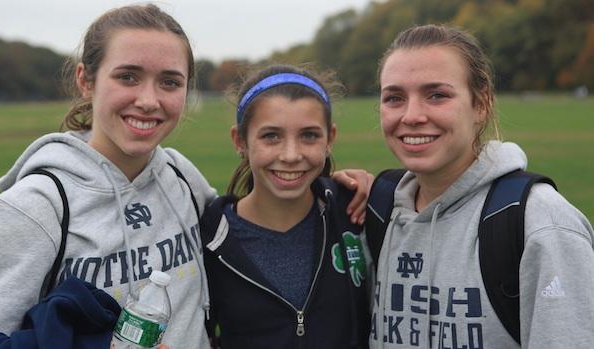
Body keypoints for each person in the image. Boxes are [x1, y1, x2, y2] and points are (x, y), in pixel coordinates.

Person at [0, 4, 215, 348]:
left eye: (169, 82)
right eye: (128, 76)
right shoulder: (34, 208)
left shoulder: (182, 176)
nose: (148, 100)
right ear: (86, 80)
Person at [369, 24, 594, 348]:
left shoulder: (542, 223)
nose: (412, 115)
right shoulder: (379, 212)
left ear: (481, 104)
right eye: (394, 98)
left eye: (437, 95)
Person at [199, 65, 372, 348]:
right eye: (271, 136)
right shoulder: (210, 239)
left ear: (330, 139)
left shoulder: (356, 212)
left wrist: (380, 189)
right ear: (240, 141)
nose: (291, 155)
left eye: (309, 135)